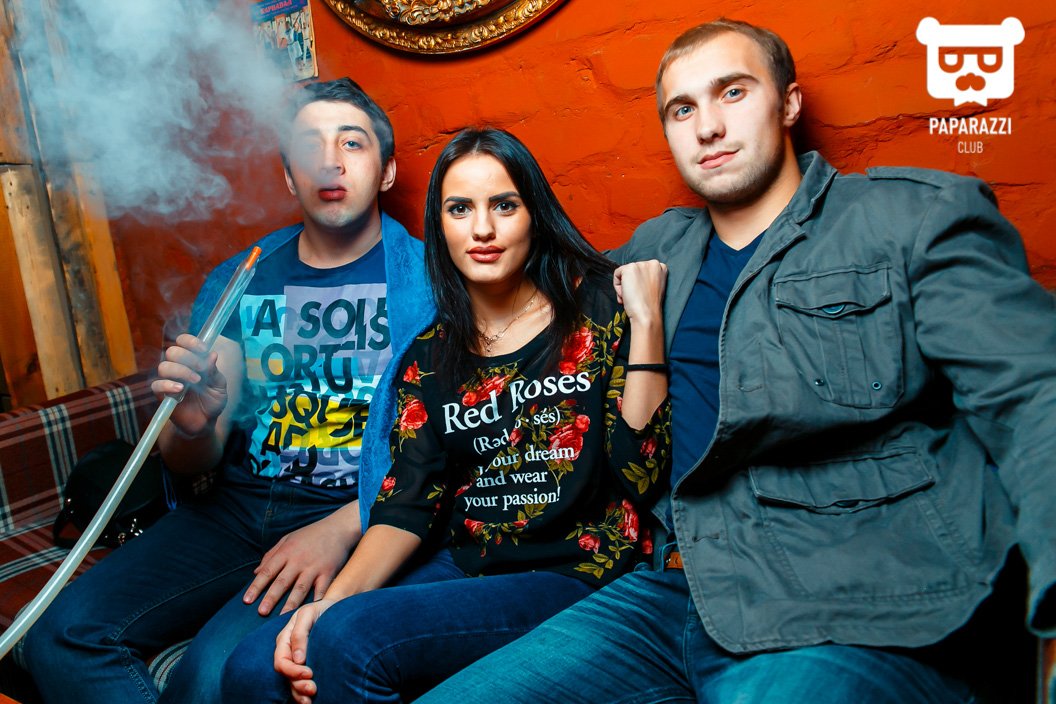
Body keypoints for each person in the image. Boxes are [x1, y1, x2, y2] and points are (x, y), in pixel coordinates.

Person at [415, 18, 1056, 704]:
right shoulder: (654, 252)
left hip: (854, 596)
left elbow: (1033, 395)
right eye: (682, 109)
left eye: (733, 92)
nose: (708, 127)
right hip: (671, 591)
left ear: (789, 102)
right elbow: (526, 311)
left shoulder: (906, 221)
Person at [220, 127, 671, 703]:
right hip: (464, 564)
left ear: (534, 215)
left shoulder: (599, 309)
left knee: (350, 641)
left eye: (503, 205)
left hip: (572, 572)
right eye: (460, 209)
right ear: (440, 227)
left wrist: (647, 322)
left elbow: (642, 471)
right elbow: (407, 502)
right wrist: (329, 604)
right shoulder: (429, 356)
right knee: (255, 668)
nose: (482, 229)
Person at [21, 77, 435, 704]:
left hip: (352, 512)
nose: (331, 160)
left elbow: (445, 449)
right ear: (290, 177)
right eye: (310, 146)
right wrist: (190, 424)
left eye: (352, 143)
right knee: (60, 637)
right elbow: (194, 459)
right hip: (234, 511)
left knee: (210, 678)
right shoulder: (243, 277)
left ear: (387, 171)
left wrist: (344, 527)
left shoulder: (428, 283)